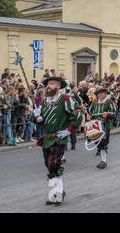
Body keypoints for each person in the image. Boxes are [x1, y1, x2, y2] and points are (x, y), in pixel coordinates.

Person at [33, 76, 83, 206]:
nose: (49, 86)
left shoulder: (66, 99)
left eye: (52, 84)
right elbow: (40, 120)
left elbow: (77, 113)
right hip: (46, 138)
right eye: (48, 84)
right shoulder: (43, 101)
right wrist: (37, 117)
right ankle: (54, 193)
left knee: (54, 164)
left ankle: (58, 193)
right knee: (49, 167)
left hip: (59, 137)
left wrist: (69, 129)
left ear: (58, 86)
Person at [87, 88, 116, 169]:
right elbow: (91, 112)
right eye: (98, 93)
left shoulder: (110, 102)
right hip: (96, 125)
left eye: (101, 93)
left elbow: (114, 113)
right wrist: (89, 115)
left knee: (103, 143)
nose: (99, 95)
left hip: (105, 124)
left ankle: (104, 161)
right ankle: (102, 159)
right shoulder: (94, 103)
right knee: (98, 143)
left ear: (105, 94)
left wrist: (108, 114)